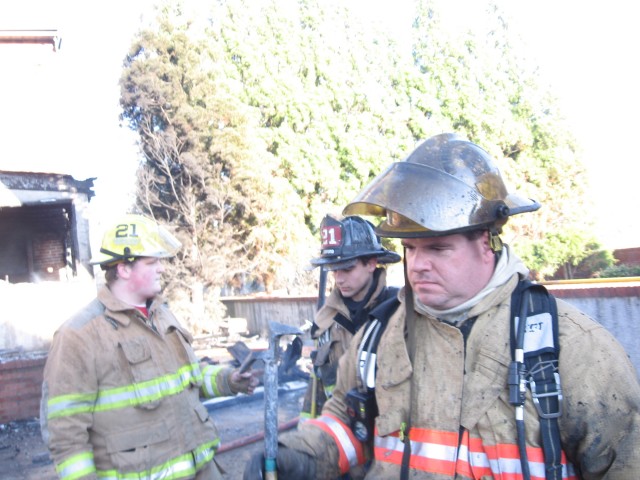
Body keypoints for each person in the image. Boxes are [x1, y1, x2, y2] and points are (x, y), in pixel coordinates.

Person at [244, 133, 640, 479]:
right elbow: (349, 425)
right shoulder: (378, 338)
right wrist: (303, 455)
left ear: (486, 242)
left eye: (437, 248)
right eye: (410, 248)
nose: (417, 264)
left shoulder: (572, 349)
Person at [41, 214, 259, 480]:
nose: (162, 268)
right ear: (123, 268)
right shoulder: (79, 335)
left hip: (203, 471)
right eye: (152, 261)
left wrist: (228, 380)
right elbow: (66, 435)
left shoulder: (162, 314)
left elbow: (187, 378)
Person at [301, 215, 401, 419]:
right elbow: (317, 390)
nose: (339, 278)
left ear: (371, 263)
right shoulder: (324, 322)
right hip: (339, 436)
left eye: (347, 268)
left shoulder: (398, 313)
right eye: (334, 269)